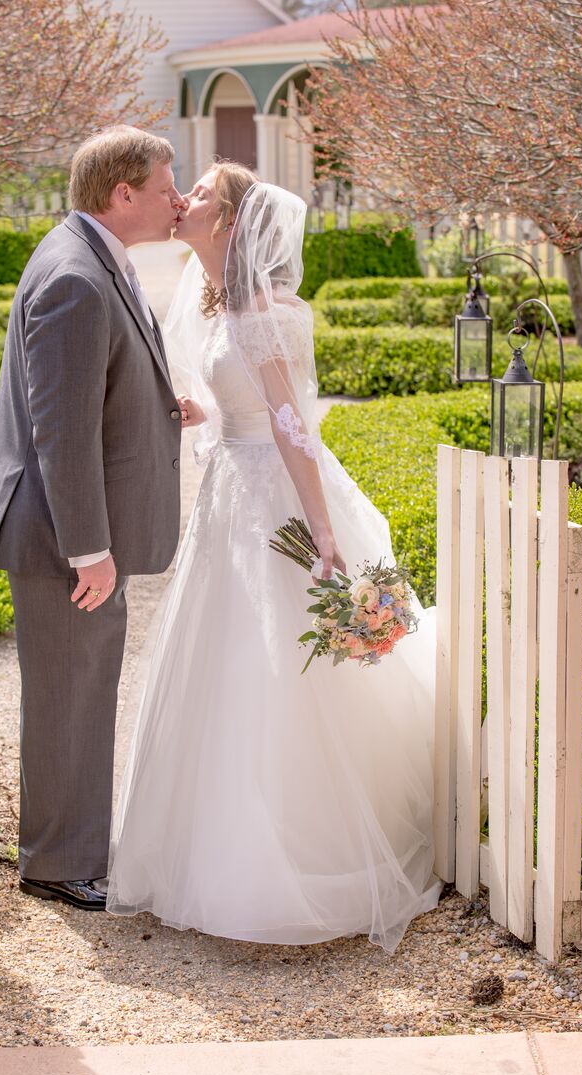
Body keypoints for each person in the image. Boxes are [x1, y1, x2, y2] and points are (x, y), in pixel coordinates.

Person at [107, 163, 442, 951]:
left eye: (199, 197)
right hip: (228, 491)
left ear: (229, 223)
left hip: (273, 499)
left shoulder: (262, 312)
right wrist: (197, 409)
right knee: (220, 660)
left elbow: (293, 428)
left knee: (279, 666)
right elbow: (241, 402)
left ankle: (298, 851)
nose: (182, 201)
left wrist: (323, 534)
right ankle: (210, 846)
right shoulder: (216, 301)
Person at [0, 126, 187, 911]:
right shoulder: (75, 278)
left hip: (75, 533)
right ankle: (58, 863)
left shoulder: (90, 257)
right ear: (121, 194)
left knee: (85, 688)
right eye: (166, 187)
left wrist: (167, 410)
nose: (178, 199)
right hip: (64, 538)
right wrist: (89, 548)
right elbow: (60, 432)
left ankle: (74, 848)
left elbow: (98, 389)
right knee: (69, 695)